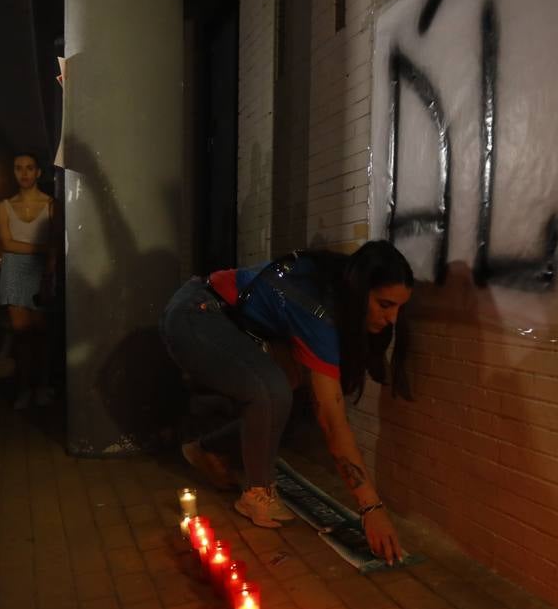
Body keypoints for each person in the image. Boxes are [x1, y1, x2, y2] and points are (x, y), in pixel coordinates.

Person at [159, 240, 414, 563]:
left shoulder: (333, 290)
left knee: (288, 390)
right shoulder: (317, 309)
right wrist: (371, 507)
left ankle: (207, 448)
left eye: (399, 308)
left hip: (224, 322)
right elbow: (333, 423)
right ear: (359, 290)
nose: (393, 319)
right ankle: (257, 493)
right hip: (193, 316)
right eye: (385, 304)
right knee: (273, 389)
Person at [0, 151, 56, 408]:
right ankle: (23, 388)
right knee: (21, 335)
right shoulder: (3, 206)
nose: (24, 173)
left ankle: (41, 386)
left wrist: (48, 269)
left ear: (38, 172)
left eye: (29, 168)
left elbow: (55, 244)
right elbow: (6, 243)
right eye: (19, 168)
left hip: (42, 271)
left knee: (41, 333)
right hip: (15, 270)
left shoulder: (52, 204)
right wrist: (42, 248)